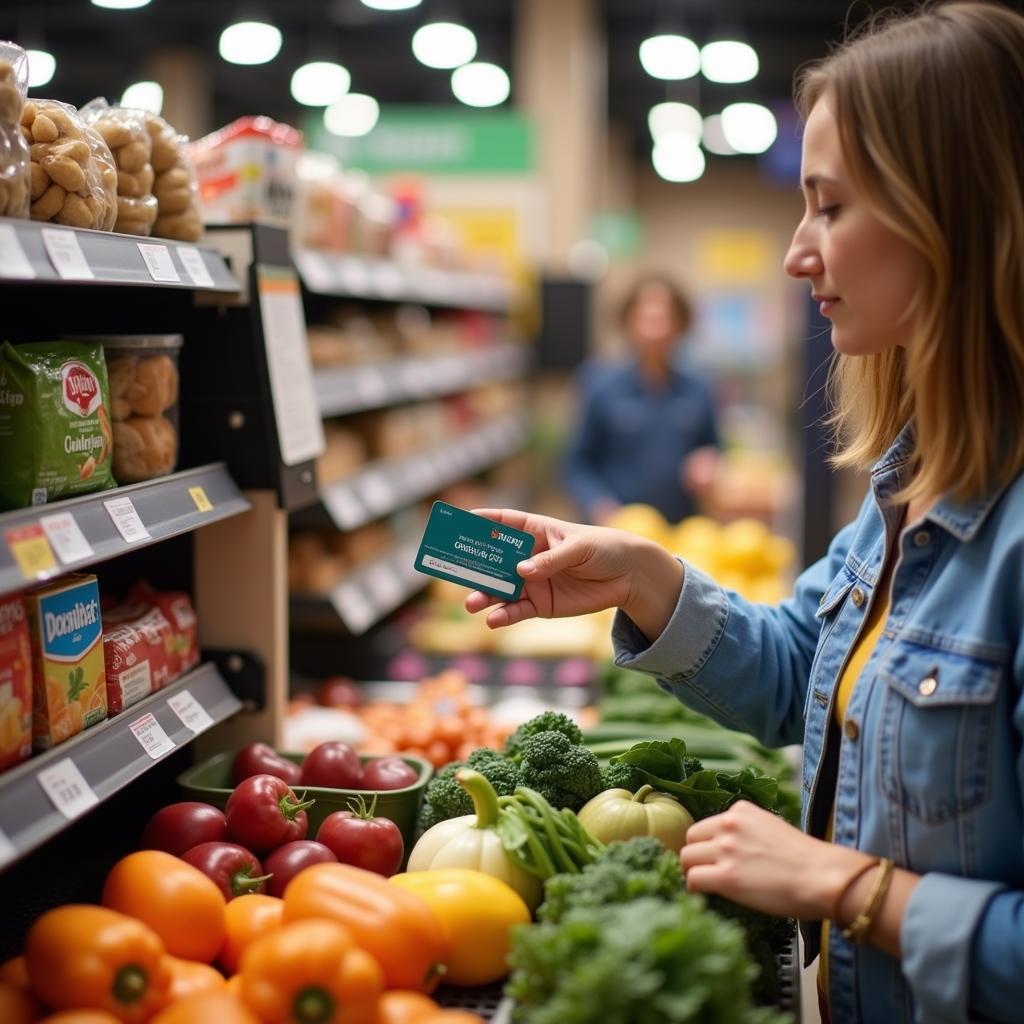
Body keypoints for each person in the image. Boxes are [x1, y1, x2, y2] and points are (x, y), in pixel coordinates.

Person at [464, 4, 1024, 1022]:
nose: (794, 254)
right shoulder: (910, 480)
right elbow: (804, 674)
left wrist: (842, 886)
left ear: (956, 211)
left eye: (830, 208)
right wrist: (647, 577)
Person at [562, 273, 721, 524]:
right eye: (646, 318)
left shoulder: (699, 388)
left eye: (665, 318)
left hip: (682, 532)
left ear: (681, 324)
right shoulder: (599, 383)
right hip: (617, 530)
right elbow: (576, 463)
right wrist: (596, 502)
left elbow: (713, 447)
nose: (655, 330)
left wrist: (708, 464)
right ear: (628, 322)